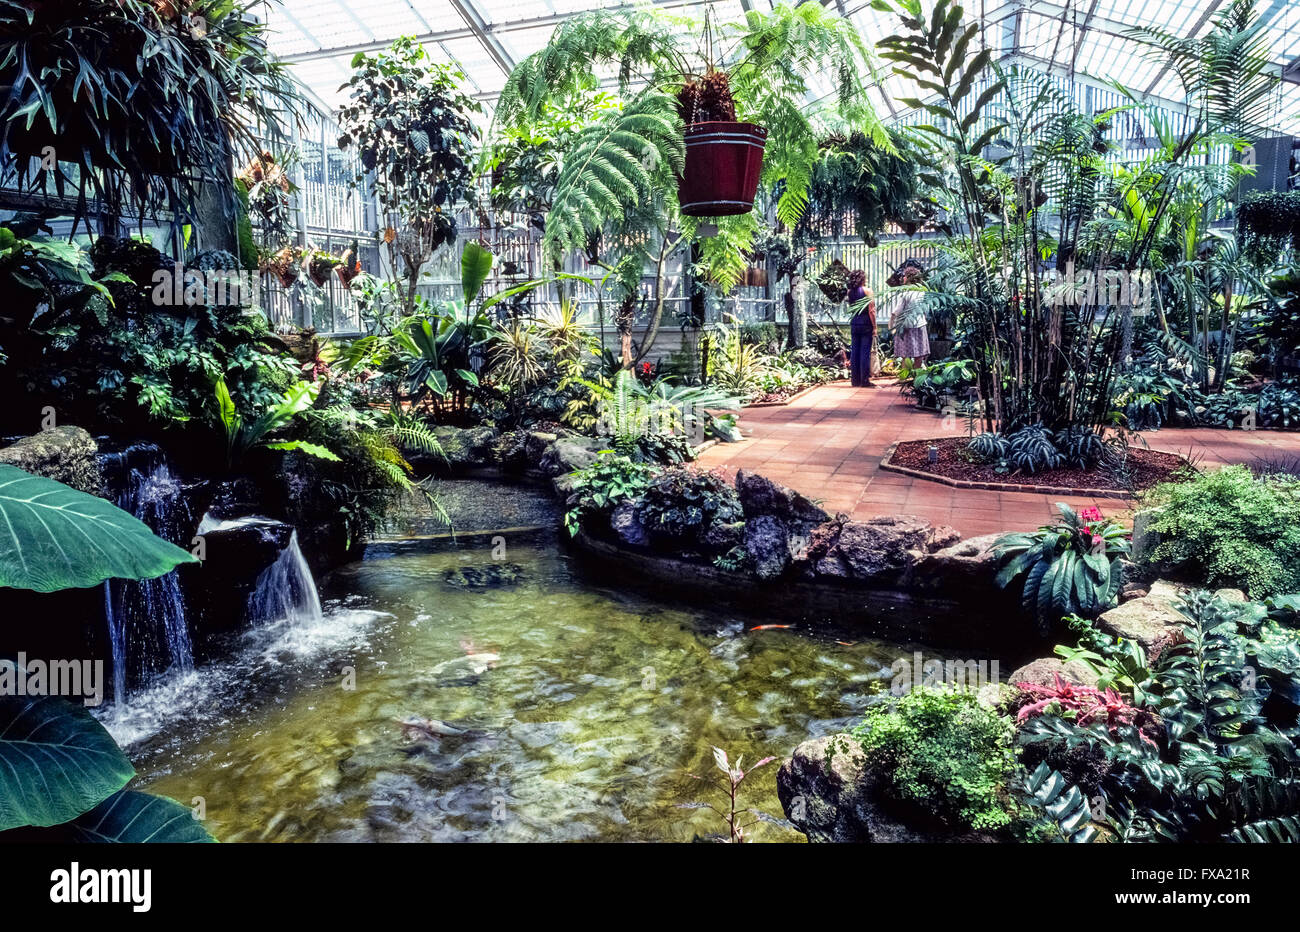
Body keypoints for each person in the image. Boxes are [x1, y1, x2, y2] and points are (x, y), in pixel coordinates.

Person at [887, 259, 929, 367]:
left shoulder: (906, 293)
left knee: (905, 355)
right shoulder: (923, 292)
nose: (903, 278)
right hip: (920, 326)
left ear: (909, 278)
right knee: (919, 355)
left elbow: (895, 312)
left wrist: (891, 326)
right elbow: (925, 311)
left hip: (906, 328)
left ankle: (904, 378)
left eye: (904, 276)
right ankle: (916, 378)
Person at [846, 269, 875, 388]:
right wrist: (875, 327)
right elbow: (871, 310)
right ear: (863, 279)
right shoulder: (867, 291)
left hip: (854, 323)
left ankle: (855, 380)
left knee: (855, 352)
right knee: (864, 352)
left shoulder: (849, 292)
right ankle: (864, 381)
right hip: (866, 324)